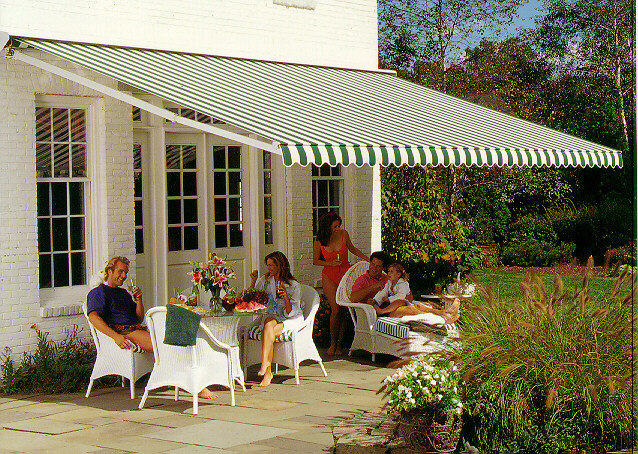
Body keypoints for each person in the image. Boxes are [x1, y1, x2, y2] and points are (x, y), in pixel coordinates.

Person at [87, 257, 218, 399]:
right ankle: (194, 386)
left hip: (136, 328)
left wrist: (139, 300)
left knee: (177, 339)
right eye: (120, 271)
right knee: (164, 346)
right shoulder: (99, 292)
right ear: (109, 271)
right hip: (124, 332)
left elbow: (138, 318)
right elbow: (93, 317)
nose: (124, 276)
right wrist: (115, 336)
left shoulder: (123, 293)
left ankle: (190, 380)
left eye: (126, 272)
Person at [313, 212, 369, 356]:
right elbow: (316, 261)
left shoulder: (343, 234)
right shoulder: (319, 240)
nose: (337, 228)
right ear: (328, 226)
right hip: (329, 275)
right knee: (336, 309)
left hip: (345, 274)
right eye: (335, 226)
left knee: (343, 309)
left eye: (338, 226)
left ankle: (339, 345)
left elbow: (353, 249)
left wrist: (369, 260)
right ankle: (332, 343)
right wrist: (330, 263)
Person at [249, 251, 303, 387]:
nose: (269, 268)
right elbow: (251, 297)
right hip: (273, 316)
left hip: (290, 319)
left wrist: (285, 297)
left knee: (268, 331)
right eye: (267, 265)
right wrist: (253, 281)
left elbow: (291, 312)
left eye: (271, 265)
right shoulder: (265, 281)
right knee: (268, 323)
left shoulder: (293, 285)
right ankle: (266, 366)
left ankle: (267, 370)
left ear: (280, 265)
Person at [365, 262, 461, 324]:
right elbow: (382, 294)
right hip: (389, 309)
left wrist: (388, 299)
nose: (389, 273)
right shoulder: (387, 283)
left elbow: (400, 295)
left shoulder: (400, 283)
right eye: (388, 271)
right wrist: (375, 300)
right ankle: (444, 318)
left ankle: (445, 312)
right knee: (411, 309)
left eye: (391, 272)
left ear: (398, 274)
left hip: (397, 304)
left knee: (418, 306)